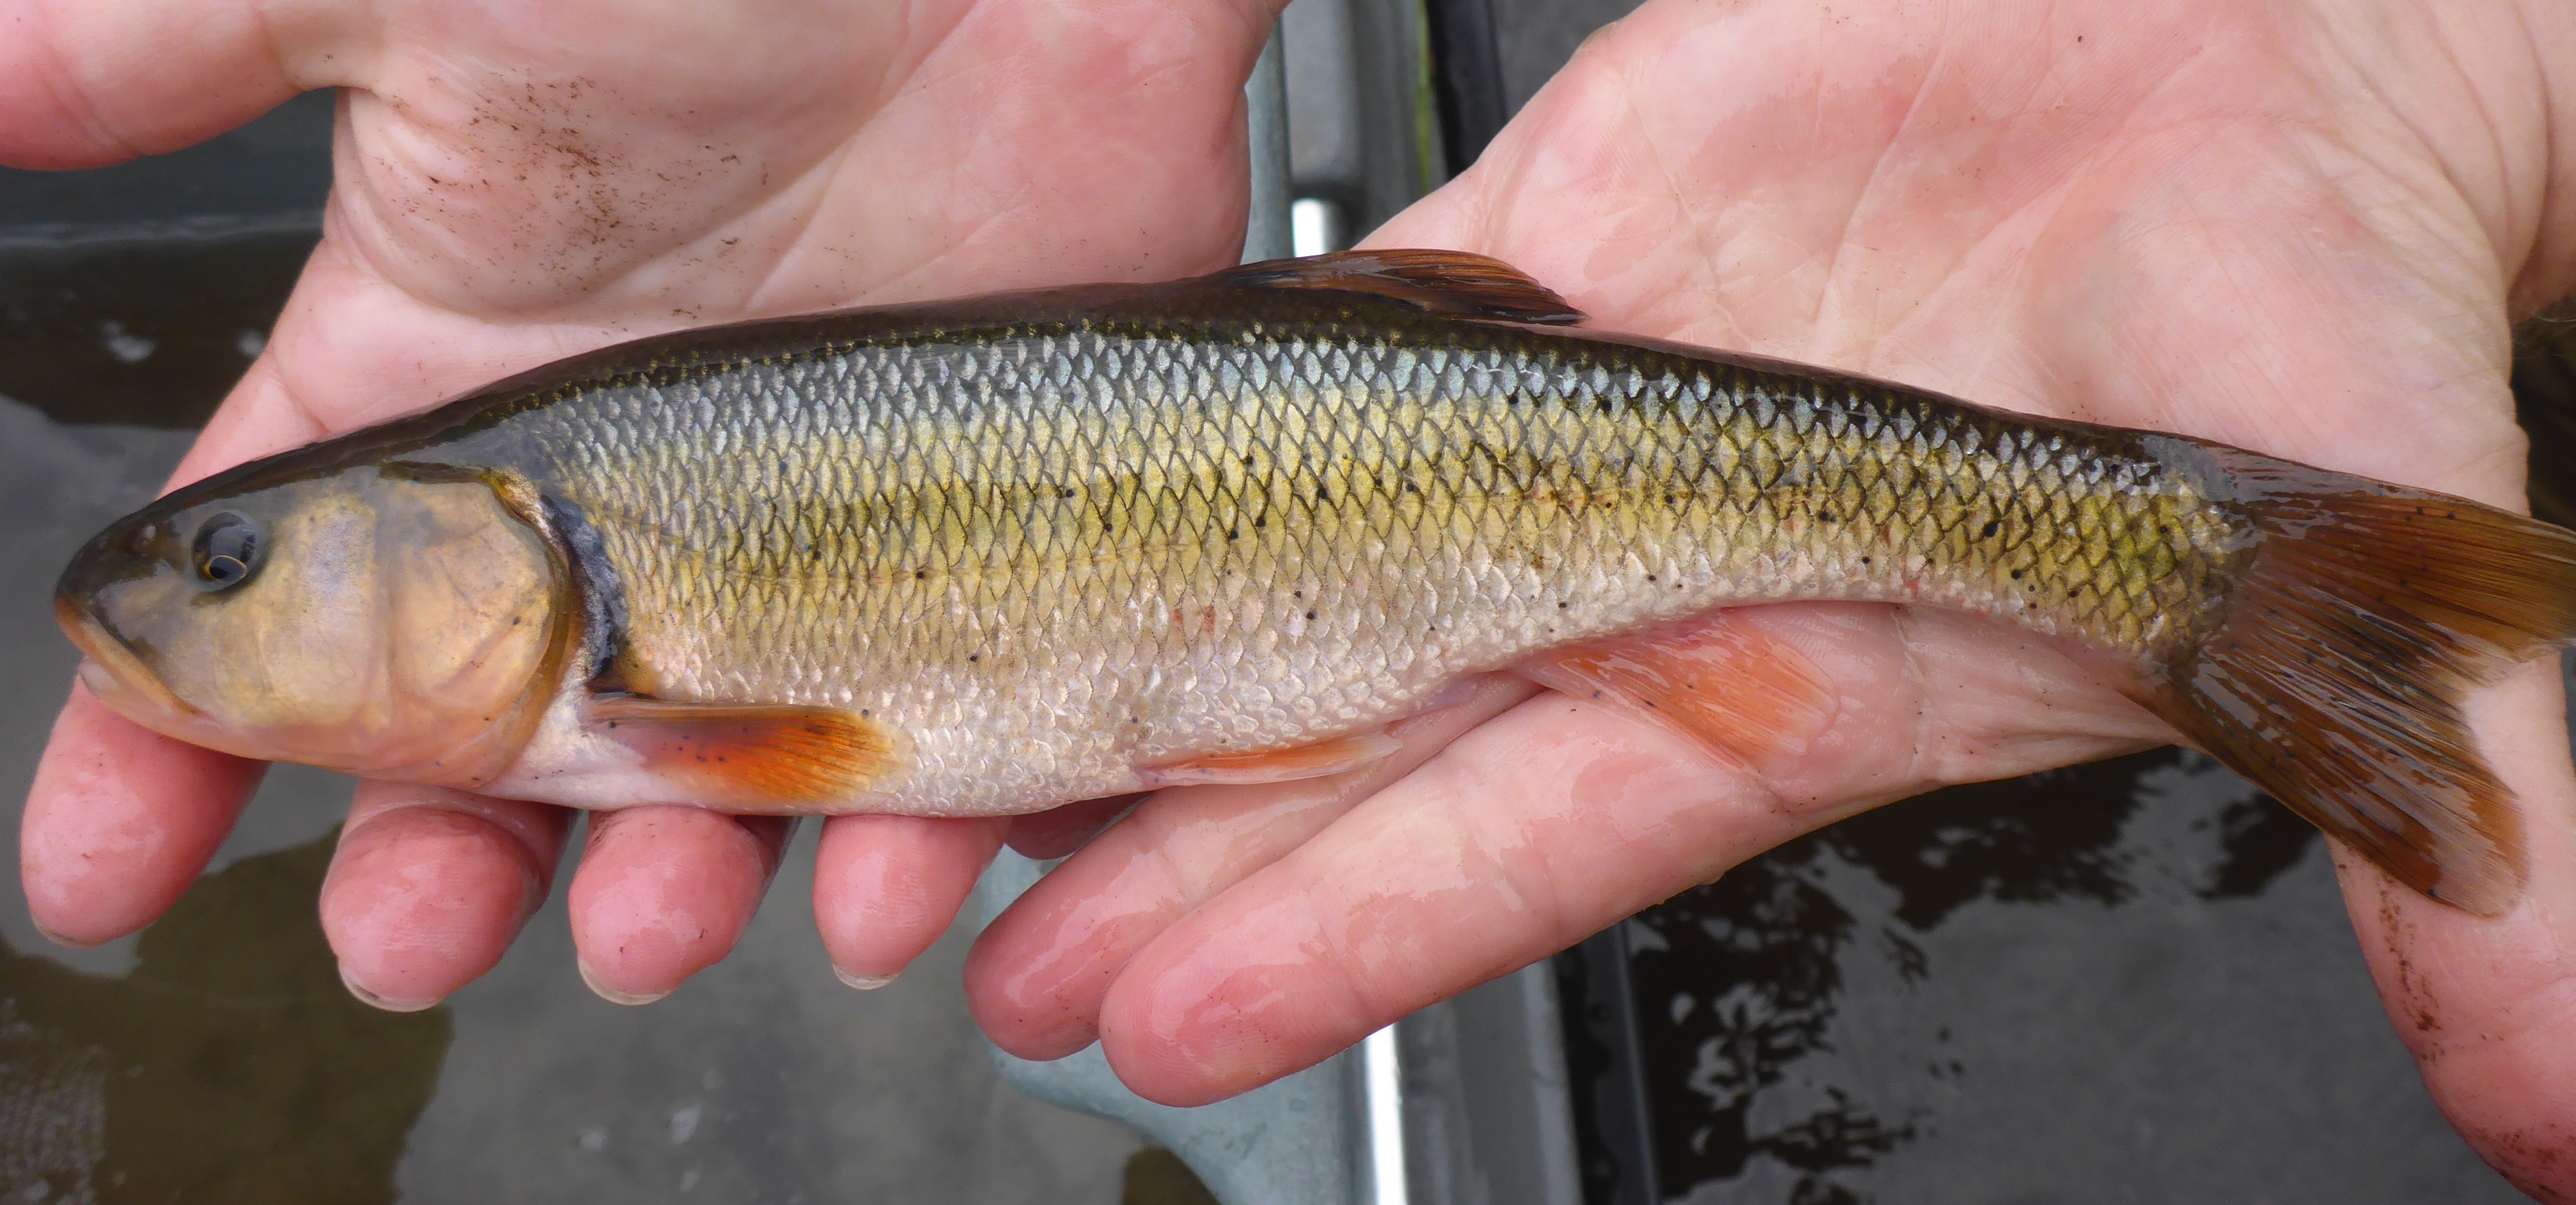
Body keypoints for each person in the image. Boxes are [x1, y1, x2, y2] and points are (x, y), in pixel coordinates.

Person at [11, 0, 2576, 1190]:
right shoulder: (606, 572)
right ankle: (2223, 569)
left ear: (450, 548)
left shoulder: (651, 623)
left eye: (236, 560)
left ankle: (2212, 569)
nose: (186, 593)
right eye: (220, 561)